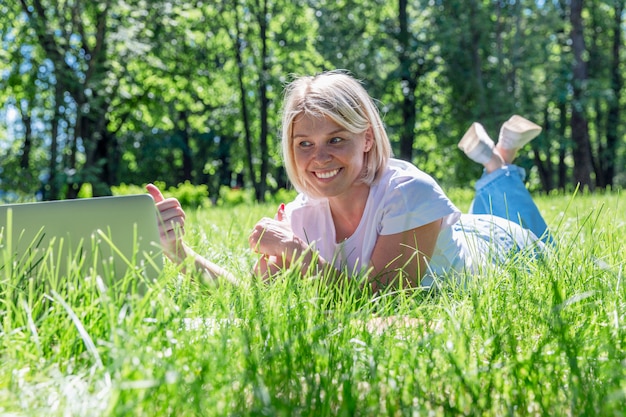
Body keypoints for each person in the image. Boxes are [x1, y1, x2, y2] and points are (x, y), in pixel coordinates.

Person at [147, 70, 551, 292]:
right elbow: (250, 301)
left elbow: (384, 299)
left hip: (504, 246)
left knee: (523, 221)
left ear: (368, 139)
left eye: (336, 139)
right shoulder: (303, 215)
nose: (319, 158)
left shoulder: (409, 191)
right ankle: (498, 157)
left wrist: (298, 255)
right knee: (480, 205)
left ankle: (499, 164)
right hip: (454, 230)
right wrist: (178, 251)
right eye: (304, 143)